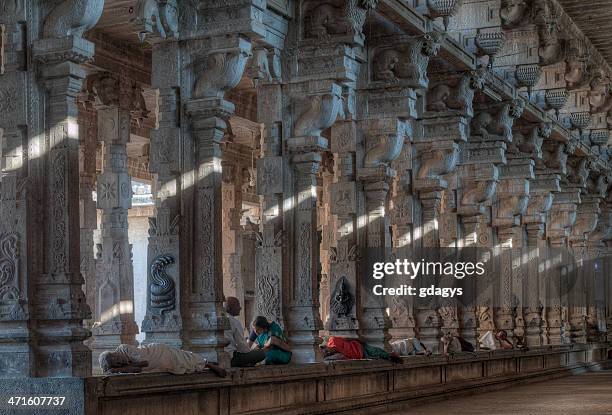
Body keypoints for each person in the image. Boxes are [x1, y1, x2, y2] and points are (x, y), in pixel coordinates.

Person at [98, 343, 226, 377]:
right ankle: (206, 363)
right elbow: (136, 369)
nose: (120, 364)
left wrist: (118, 369)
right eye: (117, 364)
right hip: (160, 363)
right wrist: (116, 369)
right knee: (185, 364)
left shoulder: (124, 349)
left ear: (113, 355)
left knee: (186, 358)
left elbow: (143, 363)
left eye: (117, 362)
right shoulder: (121, 364)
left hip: (159, 352)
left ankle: (209, 364)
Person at [224, 296, 266, 367]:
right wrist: (251, 354)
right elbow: (242, 346)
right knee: (262, 354)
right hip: (231, 358)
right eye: (237, 305)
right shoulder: (234, 322)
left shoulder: (219, 319)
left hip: (217, 357)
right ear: (229, 308)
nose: (240, 308)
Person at [320, 336, 402, 363]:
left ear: (325, 346)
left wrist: (359, 341)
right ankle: (390, 356)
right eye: (327, 353)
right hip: (362, 355)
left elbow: (347, 339)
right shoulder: (337, 355)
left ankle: (391, 356)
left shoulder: (333, 340)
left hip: (360, 347)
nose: (328, 352)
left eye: (326, 351)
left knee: (377, 351)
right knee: (377, 356)